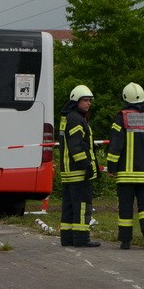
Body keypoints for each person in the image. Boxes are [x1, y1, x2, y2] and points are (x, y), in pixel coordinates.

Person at [106, 82, 144, 250]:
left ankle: (125, 241)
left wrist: (112, 168)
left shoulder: (122, 117)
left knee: (125, 206)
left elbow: (115, 146)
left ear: (126, 98)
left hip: (125, 175)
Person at [58, 84, 100, 247]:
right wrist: (87, 165)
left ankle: (67, 238)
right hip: (78, 172)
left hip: (68, 172)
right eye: (85, 100)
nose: (88, 103)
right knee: (82, 206)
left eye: (90, 100)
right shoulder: (76, 118)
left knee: (68, 207)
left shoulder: (68, 117)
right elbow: (76, 146)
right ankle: (82, 239)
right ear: (76, 101)